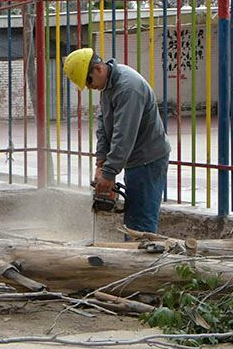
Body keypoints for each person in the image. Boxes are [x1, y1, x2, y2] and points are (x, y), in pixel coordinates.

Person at [63, 47, 171, 234]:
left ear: (98, 69)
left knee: (141, 221)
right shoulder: (108, 86)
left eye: (88, 81)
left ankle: (142, 261)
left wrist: (110, 172)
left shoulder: (128, 88)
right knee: (133, 219)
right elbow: (103, 126)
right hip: (135, 158)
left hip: (148, 159)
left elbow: (124, 134)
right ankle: (133, 256)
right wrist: (101, 163)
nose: (89, 87)